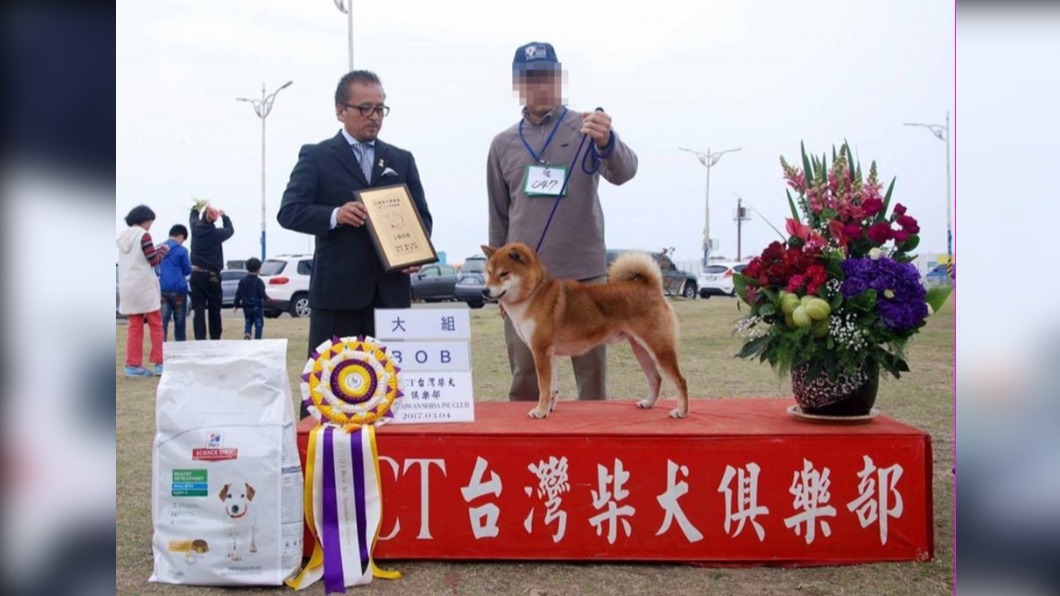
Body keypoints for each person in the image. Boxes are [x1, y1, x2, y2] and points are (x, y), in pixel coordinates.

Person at [486, 41, 638, 403]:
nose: (540, 85)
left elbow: (625, 171)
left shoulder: (587, 128)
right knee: (526, 374)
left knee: (592, 377)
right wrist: (495, 277)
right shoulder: (502, 143)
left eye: (548, 76)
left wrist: (608, 142)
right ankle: (527, 448)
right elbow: (499, 214)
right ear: (518, 84)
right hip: (523, 285)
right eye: (530, 78)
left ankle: (594, 448)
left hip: (583, 274)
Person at [278, 70, 432, 363]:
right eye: (365, 108)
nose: (374, 116)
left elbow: (422, 218)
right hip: (337, 297)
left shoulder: (402, 159)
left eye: (380, 108)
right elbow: (289, 211)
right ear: (340, 111)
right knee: (329, 387)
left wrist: (415, 252)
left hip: (391, 297)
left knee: (391, 387)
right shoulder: (316, 156)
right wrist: (335, 215)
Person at [116, 205, 170, 376]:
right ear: (145, 220)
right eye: (150, 222)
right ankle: (159, 362)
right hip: (144, 286)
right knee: (156, 324)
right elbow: (153, 260)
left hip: (128, 286)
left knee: (135, 326)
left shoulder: (123, 236)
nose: (150, 226)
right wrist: (162, 250)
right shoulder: (144, 235)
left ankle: (132, 365)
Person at [189, 202, 234, 340]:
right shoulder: (216, 234)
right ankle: (215, 336)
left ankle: (200, 337)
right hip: (212, 275)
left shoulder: (195, 228)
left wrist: (198, 204)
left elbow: (192, 216)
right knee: (214, 308)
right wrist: (225, 216)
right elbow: (230, 230)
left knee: (199, 308)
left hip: (196, 273)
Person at [158, 224, 191, 341]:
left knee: (163, 320)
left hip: (162, 288)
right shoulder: (182, 251)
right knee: (180, 320)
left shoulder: (159, 248)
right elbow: (187, 270)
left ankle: (161, 346)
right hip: (179, 289)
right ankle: (180, 345)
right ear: (181, 236)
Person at [233, 258, 271, 340]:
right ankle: (257, 338)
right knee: (258, 323)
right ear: (258, 269)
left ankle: (247, 333)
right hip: (257, 306)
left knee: (248, 321)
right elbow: (261, 293)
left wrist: (236, 304)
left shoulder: (242, 281)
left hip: (246, 306)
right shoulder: (259, 281)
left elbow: (238, 294)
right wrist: (267, 298)